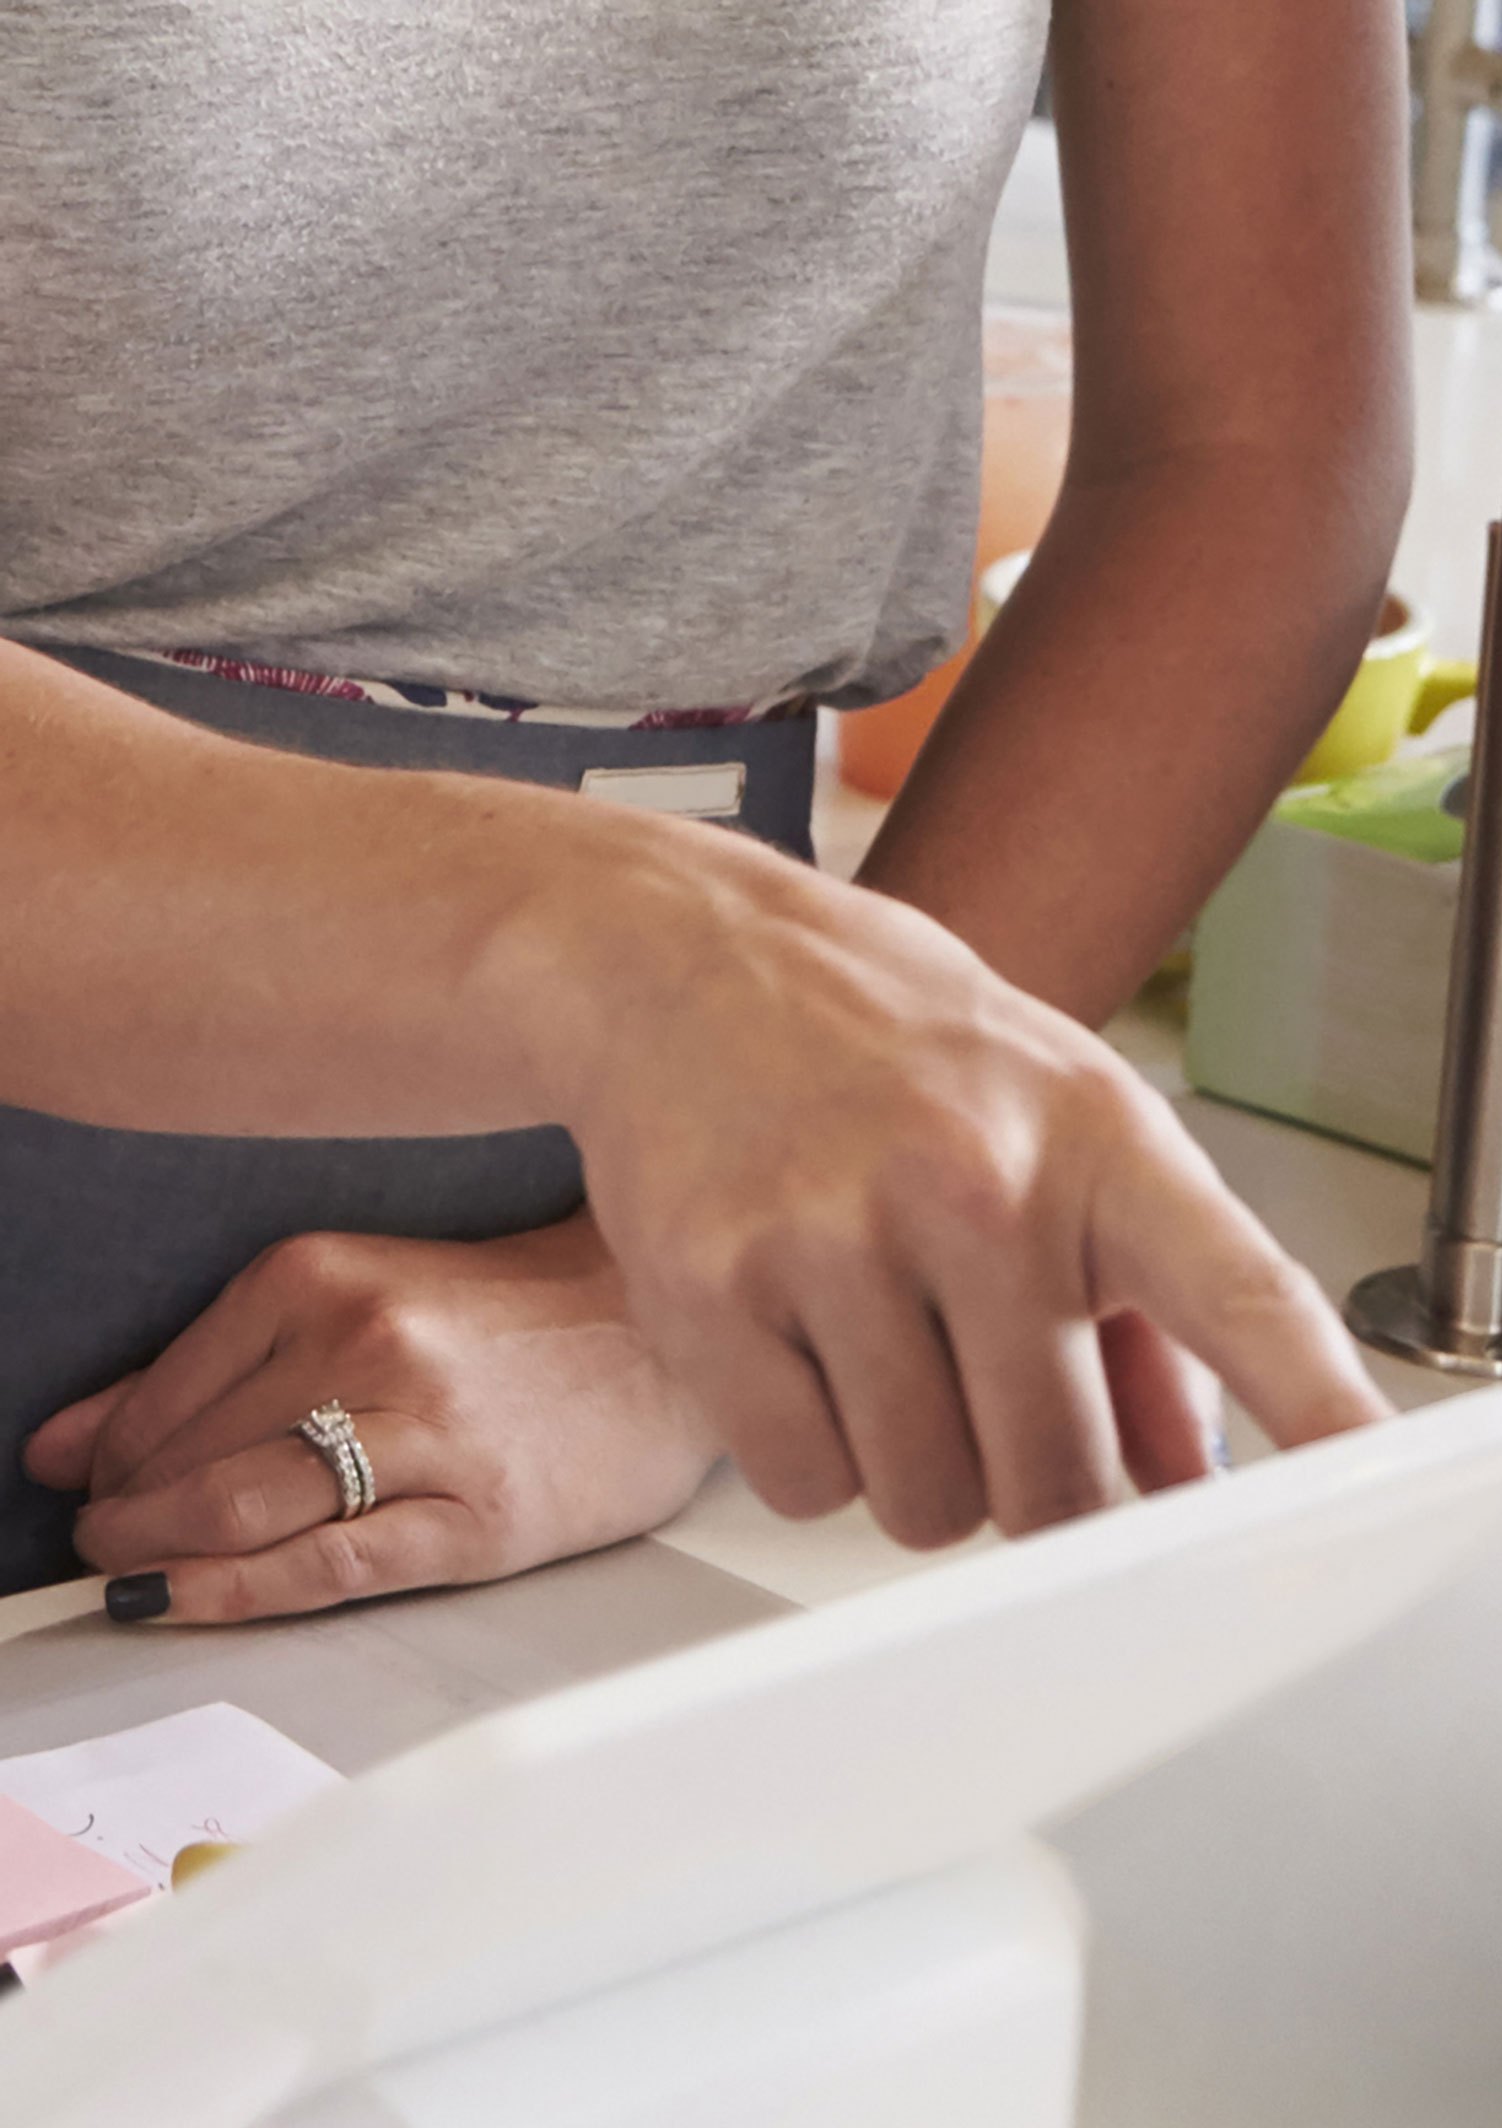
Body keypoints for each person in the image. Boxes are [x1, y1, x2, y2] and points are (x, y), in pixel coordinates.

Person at [0, 0, 1412, 1613]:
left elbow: (1249, 447)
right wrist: (635, 948)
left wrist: (649, 1316)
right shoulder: (655, 955)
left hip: (604, 1429)